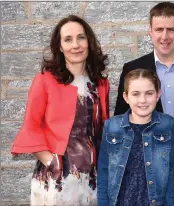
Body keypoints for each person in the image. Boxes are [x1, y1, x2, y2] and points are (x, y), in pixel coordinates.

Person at [11, 15, 110, 205]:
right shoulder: (45, 80)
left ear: (89, 41)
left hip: (93, 179)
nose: (76, 45)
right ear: (59, 46)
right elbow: (31, 128)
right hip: (57, 179)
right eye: (68, 39)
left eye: (81, 37)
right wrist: (52, 162)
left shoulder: (100, 83)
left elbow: (101, 129)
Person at [97, 69, 174, 206]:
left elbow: (173, 172)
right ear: (126, 97)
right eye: (135, 94)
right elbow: (104, 171)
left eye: (149, 93)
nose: (142, 100)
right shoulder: (112, 126)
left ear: (158, 95)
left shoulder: (169, 125)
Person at [114, 2, 174, 118]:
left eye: (171, 30)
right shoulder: (132, 68)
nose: (164, 37)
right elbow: (121, 118)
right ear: (150, 31)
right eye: (159, 29)